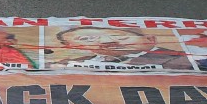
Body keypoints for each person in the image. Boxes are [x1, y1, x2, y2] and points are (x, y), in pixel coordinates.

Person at [49, 27, 193, 69]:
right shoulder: (74, 62)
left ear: (150, 40)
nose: (107, 41)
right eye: (87, 39)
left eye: (119, 36)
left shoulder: (179, 60)